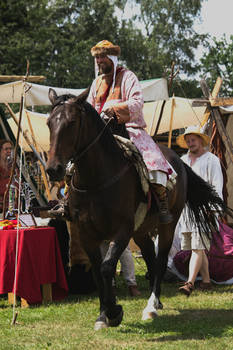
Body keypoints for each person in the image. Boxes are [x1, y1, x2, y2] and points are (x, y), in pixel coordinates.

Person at [86, 39, 177, 224]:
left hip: (128, 128)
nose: (99, 61)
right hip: (101, 132)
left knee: (152, 161)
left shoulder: (128, 77)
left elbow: (137, 102)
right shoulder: (96, 83)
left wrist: (115, 109)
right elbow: (89, 107)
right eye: (97, 57)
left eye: (103, 56)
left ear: (112, 57)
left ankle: (162, 201)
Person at [176, 125, 224, 296]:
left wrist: (213, 209)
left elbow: (217, 186)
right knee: (198, 247)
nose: (190, 143)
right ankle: (206, 281)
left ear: (201, 140)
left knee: (197, 247)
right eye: (188, 140)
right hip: (187, 210)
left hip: (205, 210)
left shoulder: (211, 160)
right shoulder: (183, 160)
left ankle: (189, 283)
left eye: (193, 139)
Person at [0, 139, 14, 213]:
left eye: (10, 149)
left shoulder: (13, 167)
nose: (9, 151)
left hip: (12, 206)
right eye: (6, 149)